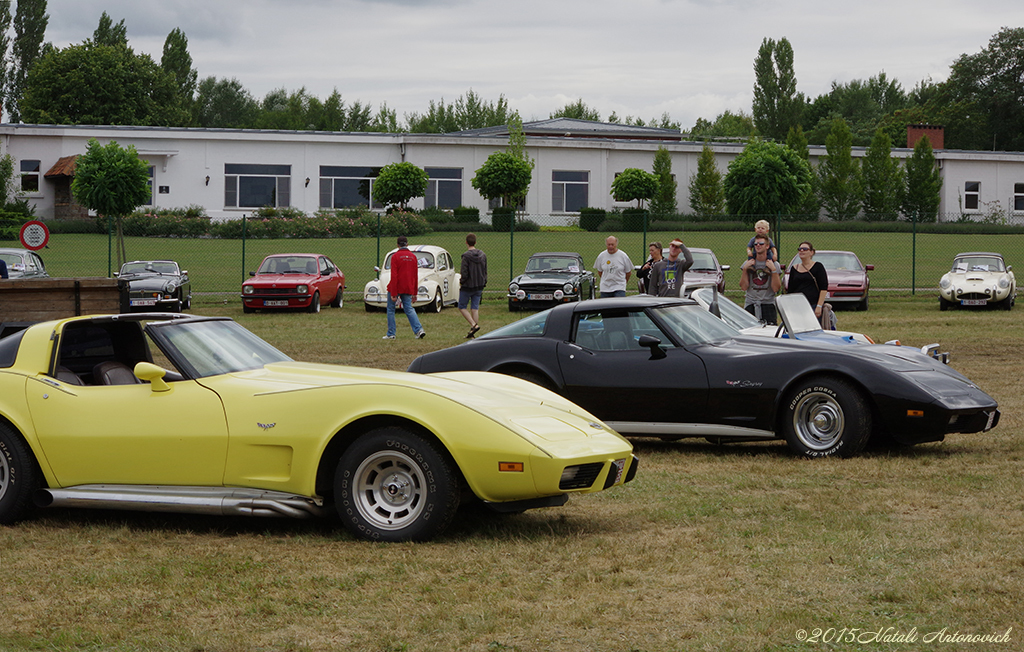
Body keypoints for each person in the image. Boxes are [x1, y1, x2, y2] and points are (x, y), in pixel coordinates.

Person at [383, 235, 426, 340]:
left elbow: (394, 275)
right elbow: (415, 276)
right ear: (407, 244)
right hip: (408, 287)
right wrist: (415, 293)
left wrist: (393, 293)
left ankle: (391, 333)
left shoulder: (395, 257)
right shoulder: (413, 257)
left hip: (396, 286)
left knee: (391, 309)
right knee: (409, 308)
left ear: (397, 245)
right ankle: (419, 330)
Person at [739, 234, 782, 324]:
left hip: (768, 304)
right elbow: (743, 287)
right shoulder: (748, 263)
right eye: (756, 244)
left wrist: (773, 270)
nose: (758, 246)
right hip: (751, 303)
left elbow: (776, 288)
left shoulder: (775, 264)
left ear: (767, 246)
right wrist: (745, 270)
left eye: (761, 244)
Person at [785, 240, 829, 322]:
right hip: (797, 306)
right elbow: (791, 290)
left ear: (811, 252)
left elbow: (823, 288)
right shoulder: (794, 268)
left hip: (813, 305)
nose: (801, 251)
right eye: (800, 249)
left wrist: (819, 306)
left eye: (805, 249)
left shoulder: (818, 267)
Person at [458, 233, 487, 339]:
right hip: (479, 285)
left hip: (467, 286)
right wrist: (484, 282)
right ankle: (473, 331)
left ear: (466, 242)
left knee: (462, 306)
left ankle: (474, 325)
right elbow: (485, 270)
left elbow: (464, 272)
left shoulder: (466, 256)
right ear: (475, 242)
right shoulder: (483, 255)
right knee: (475, 308)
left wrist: (462, 281)